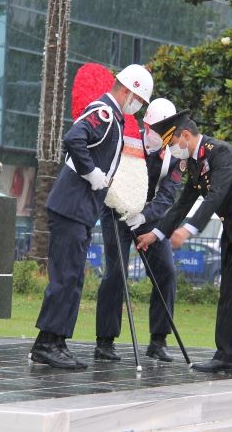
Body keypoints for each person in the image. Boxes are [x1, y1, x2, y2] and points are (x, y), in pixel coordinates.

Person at [136, 111, 232, 379]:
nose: (172, 150)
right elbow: (182, 204)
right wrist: (156, 234)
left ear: (185, 136)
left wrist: (188, 230)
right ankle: (227, 357)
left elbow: (215, 196)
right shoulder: (194, 163)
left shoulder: (221, 153)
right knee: (228, 296)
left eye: (172, 144)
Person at [30, 64, 153, 369]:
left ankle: (54, 341)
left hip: (81, 209)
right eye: (136, 98)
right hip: (71, 206)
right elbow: (74, 138)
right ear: (125, 90)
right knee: (66, 277)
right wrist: (92, 172)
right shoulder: (106, 113)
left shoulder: (115, 117)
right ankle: (47, 343)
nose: (136, 106)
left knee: (72, 278)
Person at [95, 98, 182, 363]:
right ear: (146, 124)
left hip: (149, 217)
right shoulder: (127, 139)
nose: (163, 136)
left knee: (166, 270)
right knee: (116, 273)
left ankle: (158, 340)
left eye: (168, 131)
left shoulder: (174, 155)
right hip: (117, 212)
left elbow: (168, 196)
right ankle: (105, 341)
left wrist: (145, 216)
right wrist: (122, 206)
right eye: (158, 129)